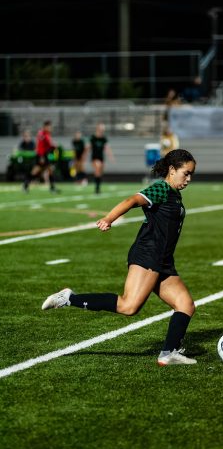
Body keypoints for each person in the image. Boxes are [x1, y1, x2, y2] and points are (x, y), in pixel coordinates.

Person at [41, 149, 197, 366]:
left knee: (185, 304)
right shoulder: (161, 188)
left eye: (191, 174)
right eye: (186, 173)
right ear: (172, 170)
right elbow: (133, 199)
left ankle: (168, 354)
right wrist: (109, 218)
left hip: (163, 260)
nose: (189, 179)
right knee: (129, 307)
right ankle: (69, 298)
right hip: (148, 255)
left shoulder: (174, 194)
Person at [23, 120, 59, 193]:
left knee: (49, 170)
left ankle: (52, 187)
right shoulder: (41, 133)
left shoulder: (47, 134)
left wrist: (53, 145)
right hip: (41, 155)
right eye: (49, 127)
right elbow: (40, 146)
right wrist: (41, 156)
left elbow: (48, 144)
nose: (50, 128)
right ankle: (25, 185)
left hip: (45, 154)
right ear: (45, 126)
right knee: (36, 171)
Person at [86, 122, 115, 194]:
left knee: (100, 173)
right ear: (98, 128)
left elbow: (107, 148)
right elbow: (88, 147)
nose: (102, 130)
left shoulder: (103, 138)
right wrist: (84, 155)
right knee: (97, 169)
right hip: (95, 157)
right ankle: (97, 189)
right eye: (101, 128)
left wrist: (111, 156)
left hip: (101, 157)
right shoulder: (93, 137)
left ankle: (98, 187)